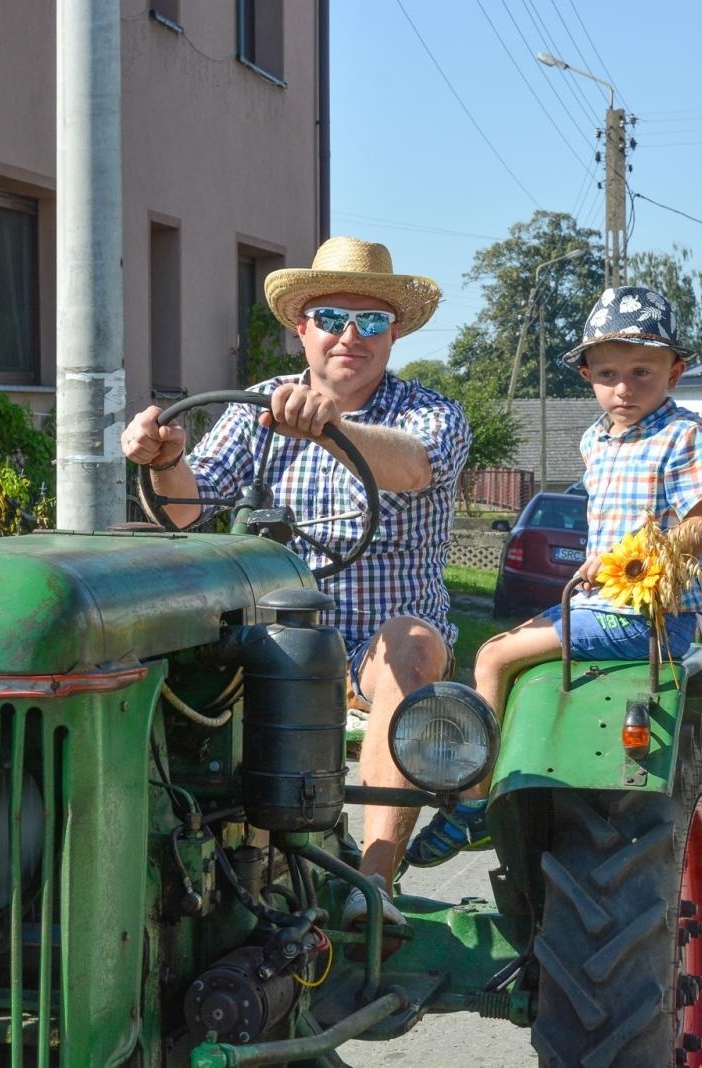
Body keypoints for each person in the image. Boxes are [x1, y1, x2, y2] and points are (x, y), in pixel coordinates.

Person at [120, 236, 471, 926]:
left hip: (376, 647)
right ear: (301, 327)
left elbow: (412, 467)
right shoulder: (257, 407)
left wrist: (328, 427)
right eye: (334, 317)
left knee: (410, 642)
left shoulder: (430, 414)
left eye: (371, 321)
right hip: (272, 644)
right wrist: (164, 460)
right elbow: (187, 513)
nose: (351, 336)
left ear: (393, 332)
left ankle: (370, 888)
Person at [428, 285, 702, 867]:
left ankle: (471, 805)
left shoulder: (685, 435)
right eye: (608, 372)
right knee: (508, 659)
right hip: (599, 606)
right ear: (587, 373)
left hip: (651, 616)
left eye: (643, 371)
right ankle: (514, 781)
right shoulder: (596, 438)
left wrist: (639, 552)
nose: (624, 388)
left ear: (675, 371)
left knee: (491, 657)